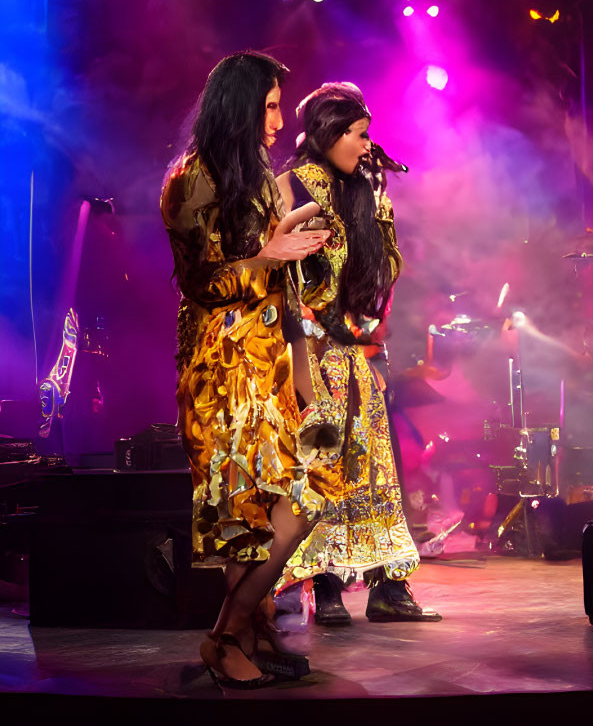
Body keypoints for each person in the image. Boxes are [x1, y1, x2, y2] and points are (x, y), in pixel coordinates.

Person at [160, 52, 338, 688]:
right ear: (239, 106)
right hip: (221, 370)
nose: (279, 118)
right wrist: (268, 253)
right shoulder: (188, 181)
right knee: (248, 517)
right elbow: (203, 283)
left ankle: (240, 629)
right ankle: (232, 634)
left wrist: (303, 371)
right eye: (269, 105)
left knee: (305, 495)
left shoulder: (263, 180)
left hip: (269, 366)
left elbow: (282, 285)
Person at [275, 82, 438, 624]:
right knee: (321, 469)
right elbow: (281, 281)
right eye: (359, 135)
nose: (368, 145)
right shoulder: (291, 186)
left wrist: (380, 214)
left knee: (375, 470)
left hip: (357, 354)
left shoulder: (364, 190)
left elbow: (380, 277)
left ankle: (389, 588)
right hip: (308, 352)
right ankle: (323, 589)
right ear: (330, 132)